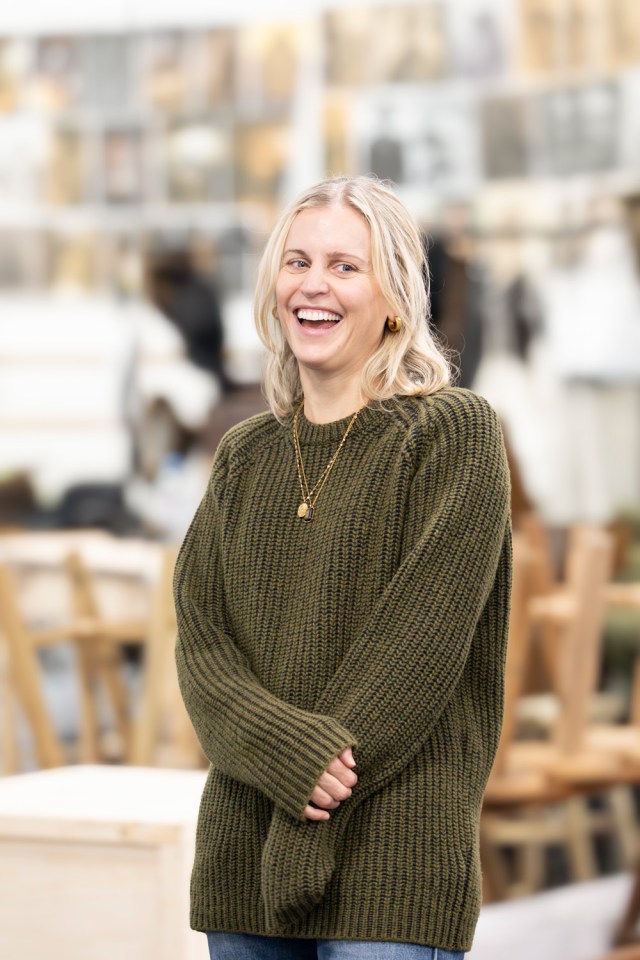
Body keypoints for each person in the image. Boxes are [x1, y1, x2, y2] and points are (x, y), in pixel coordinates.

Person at [174, 175, 512, 959]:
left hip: (392, 864)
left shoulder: (451, 434)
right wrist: (288, 757)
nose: (313, 285)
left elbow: (417, 649)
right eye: (297, 262)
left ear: (395, 296)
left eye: (344, 266)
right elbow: (202, 646)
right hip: (242, 864)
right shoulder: (244, 456)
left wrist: (301, 824)